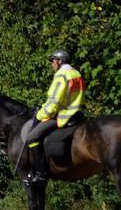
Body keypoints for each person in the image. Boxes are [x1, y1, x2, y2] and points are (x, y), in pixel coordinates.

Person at [24, 49, 86, 183]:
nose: (52, 64)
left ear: (60, 61)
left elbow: (54, 103)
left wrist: (40, 115)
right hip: (78, 114)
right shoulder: (76, 73)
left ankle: (41, 173)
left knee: (32, 137)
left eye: (52, 61)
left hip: (64, 115)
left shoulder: (61, 75)